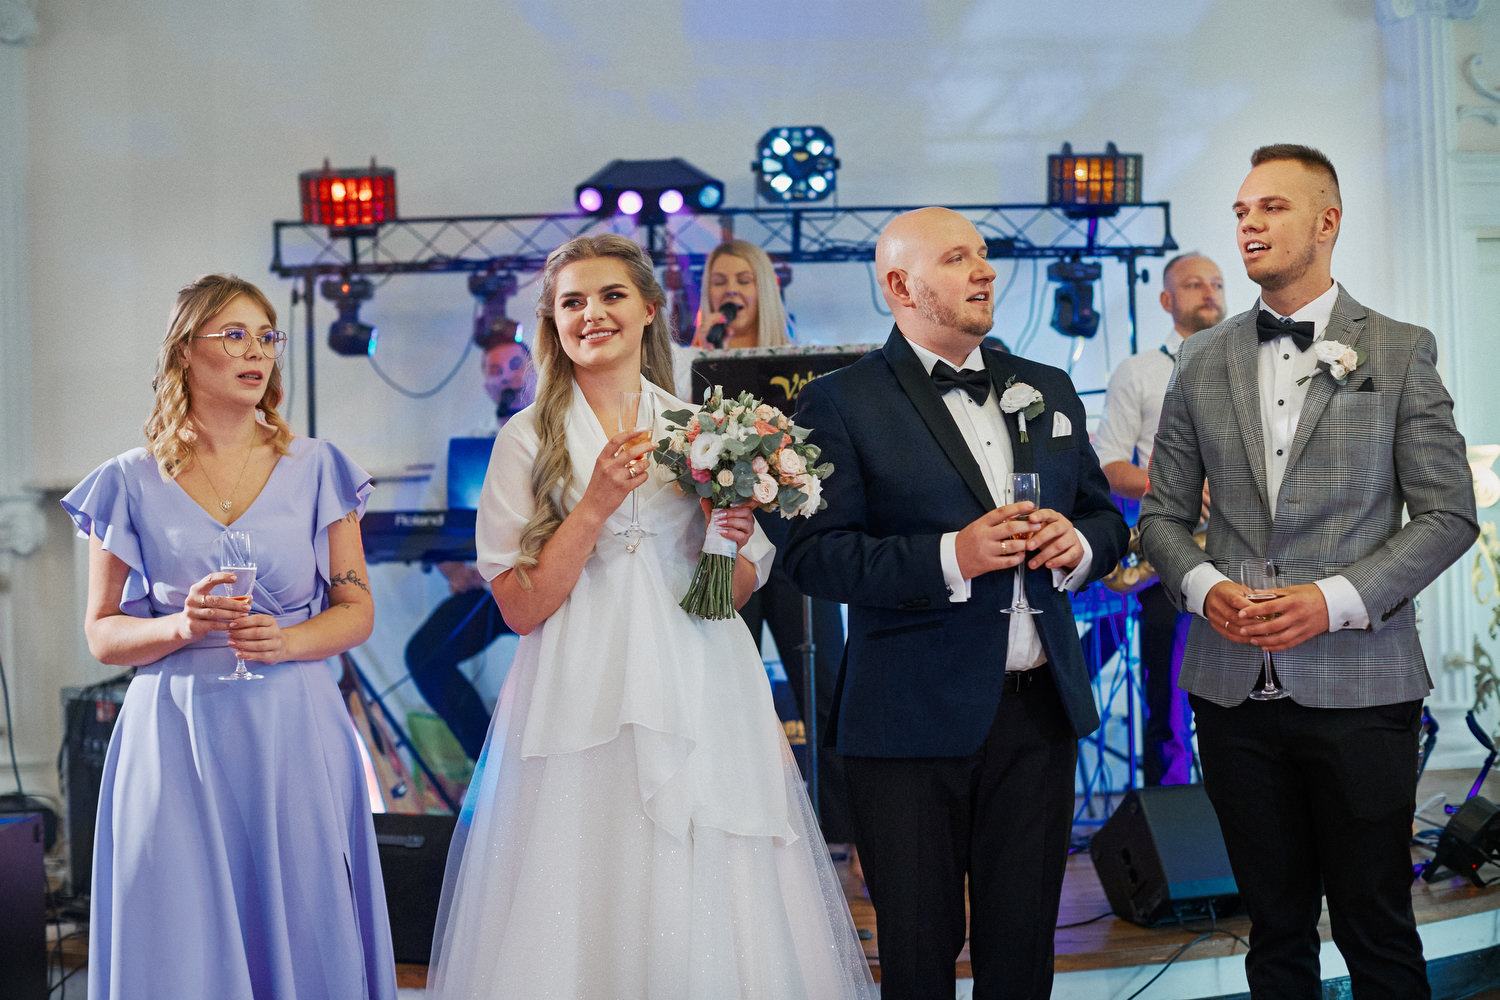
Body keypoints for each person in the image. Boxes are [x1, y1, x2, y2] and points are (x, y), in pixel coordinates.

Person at [425, 234, 873, 999]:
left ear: (649, 310)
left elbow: (730, 594)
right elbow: (522, 607)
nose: (591, 314)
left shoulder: (702, 430)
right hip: (580, 688)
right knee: (585, 876)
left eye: (611, 296)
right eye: (572, 302)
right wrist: (594, 504)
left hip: (698, 678)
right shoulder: (525, 439)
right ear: (552, 321)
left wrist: (725, 537)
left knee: (710, 866)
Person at [1138, 145, 1478, 999]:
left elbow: (1448, 514)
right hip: (1230, 692)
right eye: (1241, 211)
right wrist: (1204, 588)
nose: (1249, 224)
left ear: (1327, 221)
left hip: (1363, 683)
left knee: (1376, 923)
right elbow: (1161, 519)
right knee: (1274, 929)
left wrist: (1334, 601)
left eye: (1272, 207)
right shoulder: (1199, 358)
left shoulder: (1398, 350)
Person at [783, 207, 1129, 1000]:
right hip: (907, 719)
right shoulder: (839, 402)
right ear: (901, 286)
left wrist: (1079, 545)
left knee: (1023, 951)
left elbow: (1104, 517)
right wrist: (952, 557)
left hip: (1038, 713)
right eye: (956, 258)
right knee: (917, 953)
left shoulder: (1046, 387)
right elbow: (813, 555)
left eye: (982, 254)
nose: (985, 270)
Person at [60, 274, 396, 999]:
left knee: (302, 916)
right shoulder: (126, 481)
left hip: (293, 727)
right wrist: (182, 625)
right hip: (174, 733)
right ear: (185, 351)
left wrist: (288, 642)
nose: (257, 352)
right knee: (179, 930)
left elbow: (356, 611)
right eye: (234, 335)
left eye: (267, 337)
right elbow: (103, 633)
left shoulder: (319, 468)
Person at [677, 238, 855, 845]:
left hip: (795, 533)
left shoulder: (805, 365)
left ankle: (848, 831)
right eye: (719, 281)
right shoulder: (688, 365)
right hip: (725, 536)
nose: (731, 291)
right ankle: (733, 827)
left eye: (742, 280)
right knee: (729, 681)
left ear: (764, 289)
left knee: (824, 680)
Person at [1092, 252, 1226, 785]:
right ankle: (1173, 820)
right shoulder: (1139, 371)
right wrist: (1177, 485)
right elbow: (1108, 466)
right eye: (1194, 285)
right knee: (1169, 708)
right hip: (1173, 556)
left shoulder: (1256, 365)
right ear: (1167, 300)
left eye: (1217, 283)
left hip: (1252, 556)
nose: (1209, 292)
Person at [404, 334, 531, 761]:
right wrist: (454, 572)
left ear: (534, 370)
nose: (506, 377)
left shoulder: (562, 431)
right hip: (488, 591)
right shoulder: (468, 445)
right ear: (486, 385)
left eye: (514, 365)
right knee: (424, 657)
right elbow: (431, 523)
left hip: (550, 589)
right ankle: (490, 765)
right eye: (494, 371)